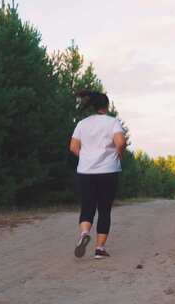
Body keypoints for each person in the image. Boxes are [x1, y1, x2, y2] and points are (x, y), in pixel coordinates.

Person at [69, 90, 126, 259]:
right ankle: (99, 249)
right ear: (106, 106)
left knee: (87, 206)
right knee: (104, 209)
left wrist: (87, 157)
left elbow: (73, 147)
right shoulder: (112, 122)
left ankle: (84, 233)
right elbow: (121, 142)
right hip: (108, 171)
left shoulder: (82, 124)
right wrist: (119, 154)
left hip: (86, 171)